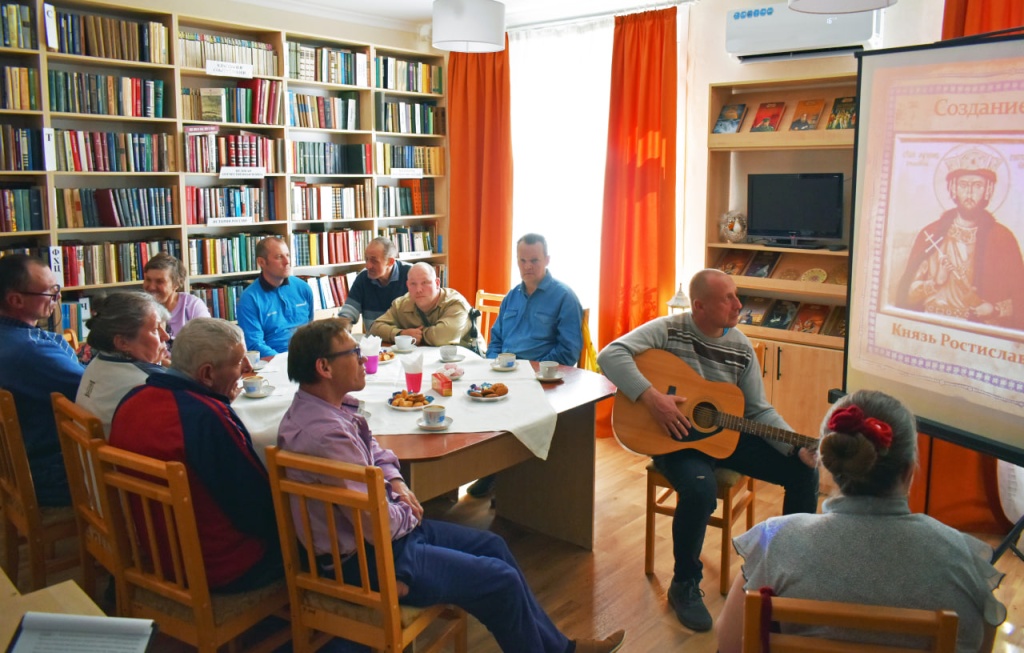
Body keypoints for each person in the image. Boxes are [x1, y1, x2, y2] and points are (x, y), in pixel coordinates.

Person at [277, 319, 625, 653]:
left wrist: (397, 482)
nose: (361, 358)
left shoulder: (326, 410)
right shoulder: (325, 434)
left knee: (494, 546)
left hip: (385, 542)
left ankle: (560, 649)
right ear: (324, 367)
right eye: (353, 352)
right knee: (500, 582)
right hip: (370, 562)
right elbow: (375, 524)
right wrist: (407, 513)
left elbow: (375, 451)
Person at [597, 269, 819, 632]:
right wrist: (653, 399)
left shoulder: (741, 346)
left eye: (736, 295)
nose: (738, 305)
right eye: (727, 298)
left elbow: (758, 410)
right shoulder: (669, 329)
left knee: (803, 471)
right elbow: (611, 354)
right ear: (699, 307)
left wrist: (796, 446)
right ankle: (684, 583)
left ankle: (791, 575)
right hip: (672, 435)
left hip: (724, 435)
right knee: (699, 490)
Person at [716, 390, 1006, 653]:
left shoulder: (774, 541)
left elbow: (729, 646)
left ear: (829, 463)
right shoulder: (965, 559)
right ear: (908, 472)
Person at [109, 318, 281, 592]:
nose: (248, 369)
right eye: (239, 362)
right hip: (219, 567)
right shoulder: (206, 418)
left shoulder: (132, 399)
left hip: (156, 555)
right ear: (207, 374)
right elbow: (255, 506)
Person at [468, 233, 583, 498]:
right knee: (472, 400)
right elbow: (496, 338)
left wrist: (532, 370)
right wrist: (492, 364)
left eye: (534, 260)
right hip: (505, 373)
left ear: (547, 260)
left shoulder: (564, 297)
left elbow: (567, 351)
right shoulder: (512, 296)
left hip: (541, 378)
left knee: (506, 409)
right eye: (522, 260)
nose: (528, 266)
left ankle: (512, 485)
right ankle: (491, 470)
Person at [895, 147, 1024, 330]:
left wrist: (995, 309)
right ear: (953, 189)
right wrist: (935, 283)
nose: (970, 193)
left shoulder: (1002, 239)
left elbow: (1020, 299)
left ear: (987, 191)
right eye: (964, 185)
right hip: (928, 329)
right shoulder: (931, 234)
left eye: (977, 185)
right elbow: (905, 295)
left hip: (977, 337)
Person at [0, 254, 84, 506]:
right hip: (48, 470)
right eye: (50, 292)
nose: (57, 298)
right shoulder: (30, 350)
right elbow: (92, 389)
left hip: (19, 464)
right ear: (16, 300)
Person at [76, 291, 170, 436]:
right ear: (122, 343)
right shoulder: (149, 383)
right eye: (155, 330)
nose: (166, 336)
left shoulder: (98, 361)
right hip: (118, 457)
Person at [368, 262, 477, 349]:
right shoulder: (401, 304)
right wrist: (401, 333)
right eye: (413, 284)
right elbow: (375, 328)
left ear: (437, 283)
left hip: (465, 362)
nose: (419, 290)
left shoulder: (455, 303)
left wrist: (417, 335)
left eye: (425, 283)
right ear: (407, 286)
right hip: (428, 361)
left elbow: (441, 337)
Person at [236, 236, 313, 357]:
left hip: (308, 358)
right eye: (279, 257)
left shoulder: (303, 288)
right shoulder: (249, 299)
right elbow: (255, 345)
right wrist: (284, 362)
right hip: (273, 363)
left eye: (287, 255)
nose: (287, 261)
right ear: (261, 262)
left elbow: (311, 330)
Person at [337, 237, 412, 333]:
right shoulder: (363, 278)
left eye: (374, 261)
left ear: (390, 262)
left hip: (409, 341)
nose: (368, 265)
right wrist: (341, 330)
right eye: (366, 259)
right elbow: (347, 314)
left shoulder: (412, 275)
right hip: (375, 343)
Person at [142, 252, 210, 345]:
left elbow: (206, 344)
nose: (151, 287)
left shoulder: (192, 306)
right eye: (148, 280)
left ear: (176, 284)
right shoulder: (138, 308)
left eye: (160, 281)